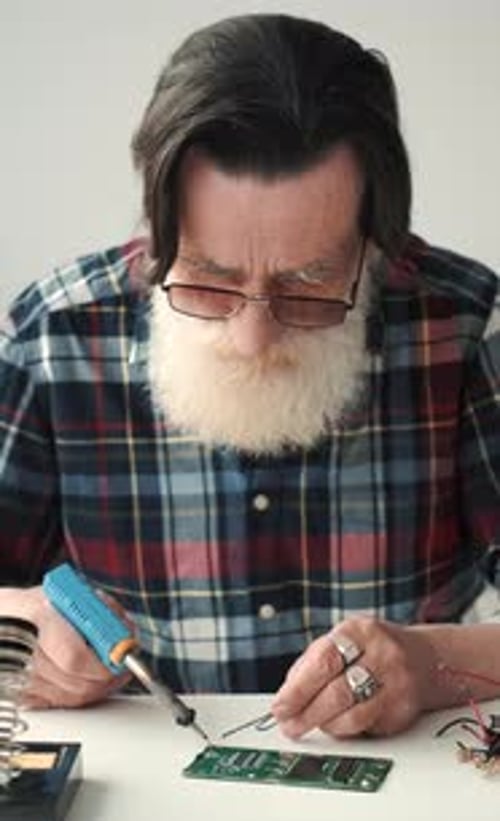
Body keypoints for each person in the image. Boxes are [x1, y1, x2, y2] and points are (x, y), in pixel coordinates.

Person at [1, 13, 499, 741]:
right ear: (159, 227)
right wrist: (19, 626)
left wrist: (434, 663)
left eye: (309, 283)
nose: (252, 334)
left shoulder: (466, 325)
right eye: (207, 277)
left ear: (377, 242)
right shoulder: (55, 334)